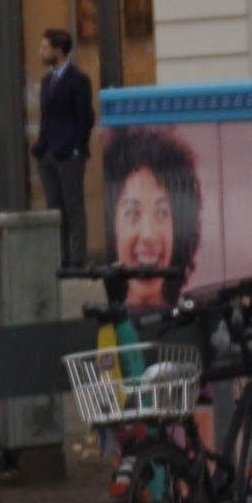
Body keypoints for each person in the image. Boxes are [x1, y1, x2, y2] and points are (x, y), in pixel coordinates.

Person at [103, 126, 201, 309]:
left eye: (162, 213)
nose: (148, 234)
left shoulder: (195, 322)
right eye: (133, 213)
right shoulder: (96, 326)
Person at [31, 28, 95, 267]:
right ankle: (59, 256)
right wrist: (41, 148)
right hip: (48, 152)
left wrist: (76, 148)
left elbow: (86, 118)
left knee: (73, 207)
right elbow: (46, 117)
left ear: (58, 51)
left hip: (68, 154)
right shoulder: (47, 81)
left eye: (45, 48)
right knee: (54, 209)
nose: (41, 52)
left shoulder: (78, 80)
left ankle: (77, 258)